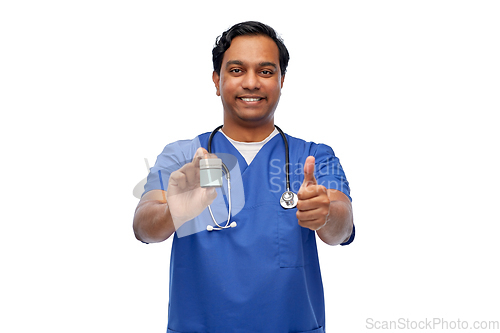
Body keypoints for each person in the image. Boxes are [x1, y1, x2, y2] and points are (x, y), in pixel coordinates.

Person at [133, 21, 355, 333]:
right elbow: (143, 226)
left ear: (281, 80)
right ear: (216, 79)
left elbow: (342, 229)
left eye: (266, 71)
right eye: (237, 70)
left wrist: (326, 214)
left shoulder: (314, 157)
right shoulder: (184, 156)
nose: (251, 82)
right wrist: (175, 211)